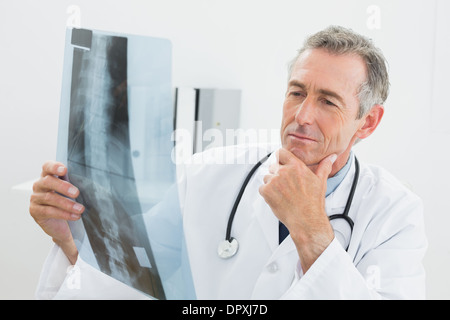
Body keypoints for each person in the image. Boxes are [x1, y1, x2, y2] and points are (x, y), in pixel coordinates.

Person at [30, 25, 427, 299]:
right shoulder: (208, 173)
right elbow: (136, 280)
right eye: (296, 92)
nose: (302, 115)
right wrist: (68, 233)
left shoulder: (393, 214)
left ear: (368, 122)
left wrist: (312, 231)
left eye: (327, 101)